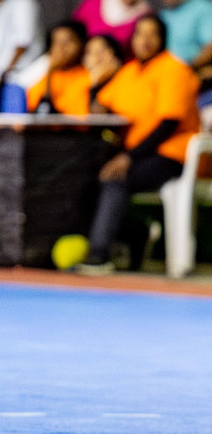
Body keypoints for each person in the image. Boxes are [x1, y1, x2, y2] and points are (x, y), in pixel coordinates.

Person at [79, 14, 201, 275]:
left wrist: (129, 157)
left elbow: (167, 125)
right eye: (139, 34)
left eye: (152, 34)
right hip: (135, 151)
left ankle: (99, 255)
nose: (145, 40)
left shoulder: (174, 69)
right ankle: (138, 234)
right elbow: (101, 111)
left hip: (169, 153)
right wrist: (96, 83)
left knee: (116, 178)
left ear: (163, 38)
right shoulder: (129, 71)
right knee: (82, 179)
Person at [157, 0, 212, 74]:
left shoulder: (203, 8)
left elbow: (210, 47)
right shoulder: (161, 15)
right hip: (162, 74)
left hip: (191, 74)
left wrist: (187, 69)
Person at [28, 21, 92, 116]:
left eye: (67, 41)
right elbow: (38, 110)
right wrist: (50, 71)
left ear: (82, 44)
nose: (61, 47)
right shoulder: (47, 76)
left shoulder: (89, 76)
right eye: (56, 42)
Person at [83, 33, 125, 103]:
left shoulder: (128, 76)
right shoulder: (81, 81)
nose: (97, 56)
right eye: (91, 52)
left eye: (102, 50)